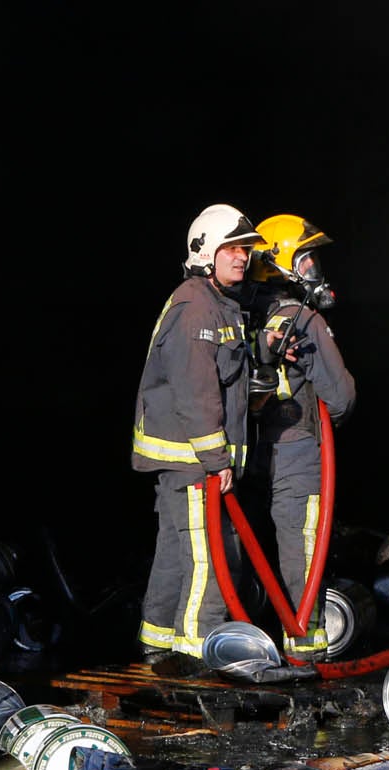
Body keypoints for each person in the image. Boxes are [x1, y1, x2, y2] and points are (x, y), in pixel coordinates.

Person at [131, 204, 262, 675]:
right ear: (205, 250)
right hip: (193, 462)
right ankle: (194, 655)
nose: (242, 257)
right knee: (210, 557)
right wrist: (216, 458)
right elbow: (196, 391)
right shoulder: (196, 309)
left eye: (244, 249)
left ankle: (156, 645)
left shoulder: (216, 305)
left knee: (173, 554)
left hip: (188, 462)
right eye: (231, 248)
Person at [244, 214, 357, 660]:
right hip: (295, 451)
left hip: (244, 452)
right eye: (306, 258)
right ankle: (305, 648)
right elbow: (342, 397)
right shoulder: (302, 319)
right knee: (301, 552)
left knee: (244, 549)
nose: (314, 269)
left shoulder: (238, 312)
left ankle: (242, 643)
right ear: (280, 264)